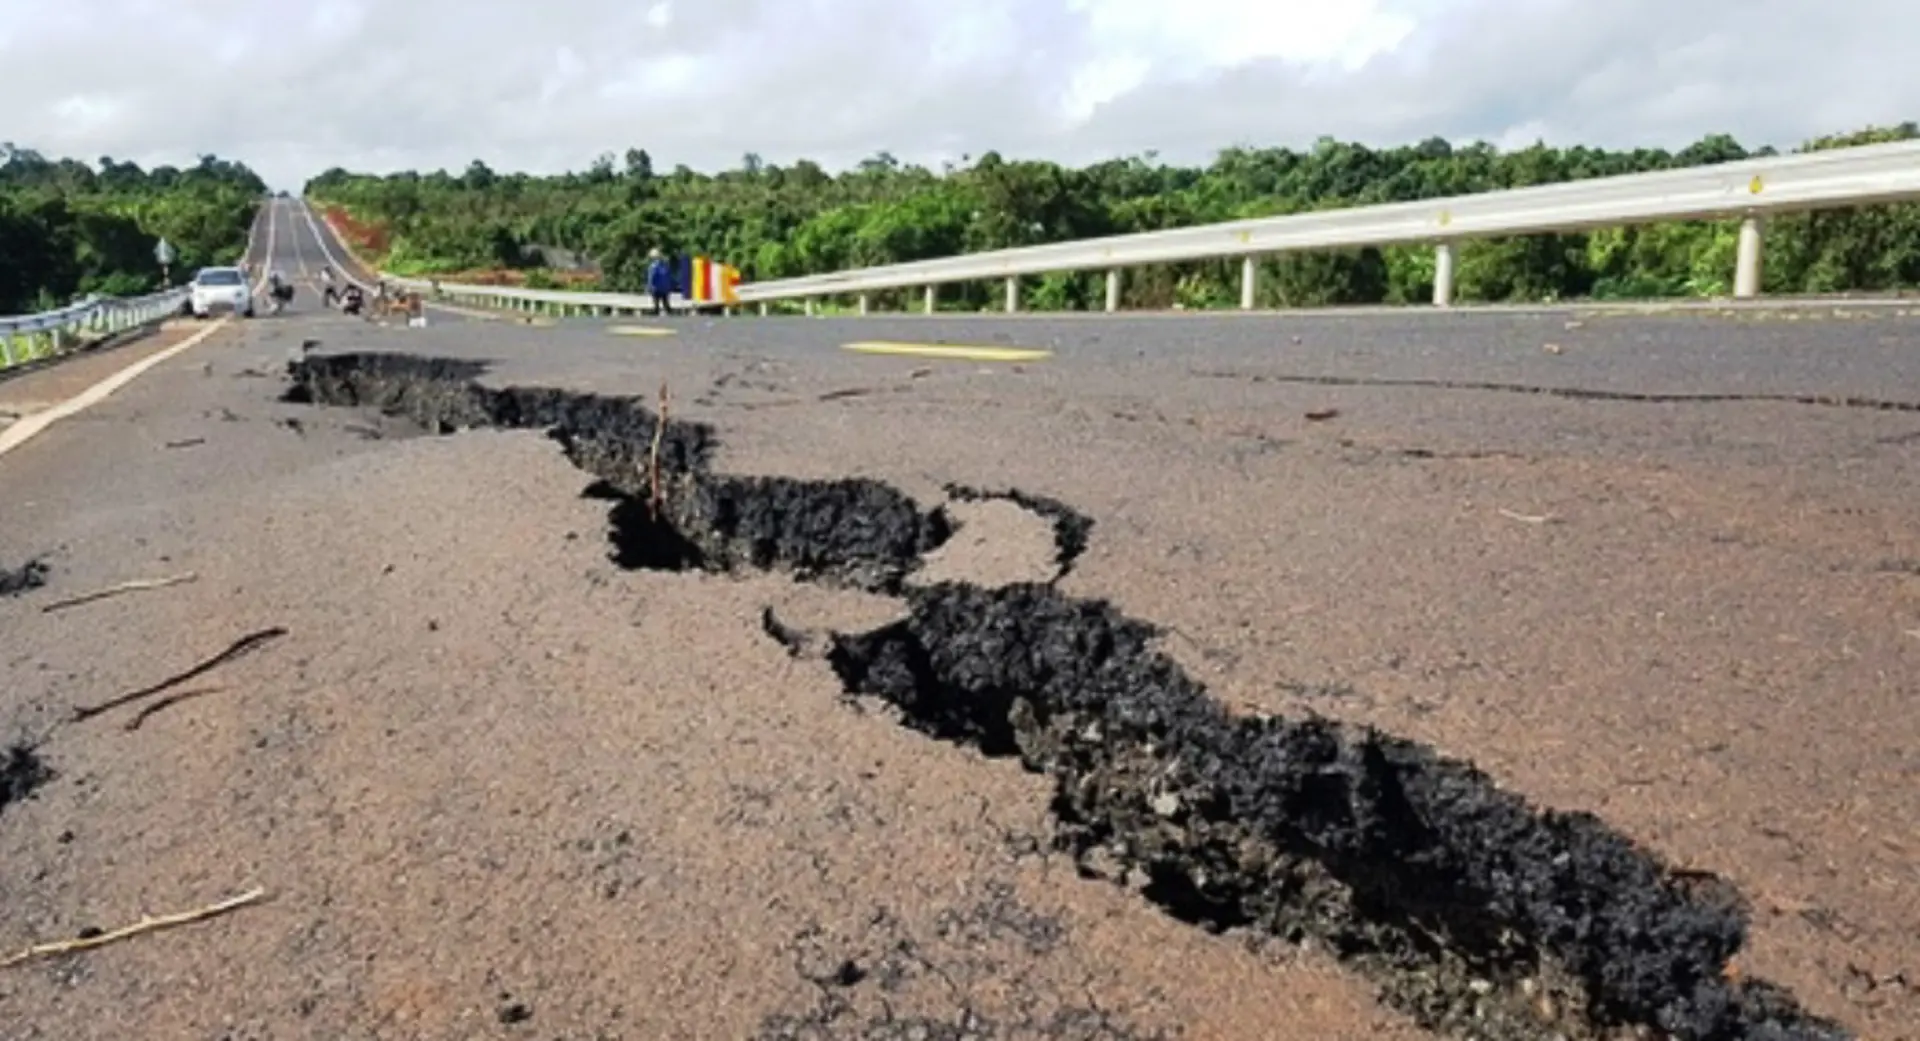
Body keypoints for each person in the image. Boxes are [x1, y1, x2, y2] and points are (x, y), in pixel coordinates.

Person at [645, 248, 674, 316]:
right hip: (665, 287)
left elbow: (651, 277)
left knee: (656, 300)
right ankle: (668, 310)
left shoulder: (653, 266)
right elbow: (669, 275)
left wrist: (649, 286)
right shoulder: (665, 264)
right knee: (665, 301)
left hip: (656, 287)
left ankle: (656, 310)